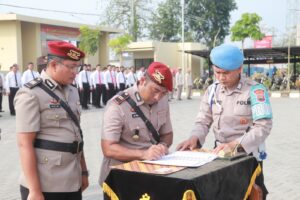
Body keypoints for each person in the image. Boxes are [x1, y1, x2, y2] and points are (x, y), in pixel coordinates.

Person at [176, 44, 272, 200]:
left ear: (239, 69)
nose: (221, 77)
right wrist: (195, 138)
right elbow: (203, 120)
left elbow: (263, 127)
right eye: (217, 72)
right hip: (219, 156)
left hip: (247, 157)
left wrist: (234, 145)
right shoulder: (212, 91)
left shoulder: (255, 91)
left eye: (226, 73)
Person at [15, 41, 89, 200]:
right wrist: (34, 190)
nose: (75, 72)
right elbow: (24, 143)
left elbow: (77, 135)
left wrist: (83, 171)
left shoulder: (72, 91)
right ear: (54, 65)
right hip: (46, 182)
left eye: (77, 67)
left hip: (72, 179)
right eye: (71, 67)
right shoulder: (30, 94)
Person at [99, 62, 174, 188]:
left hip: (152, 173)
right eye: (155, 90)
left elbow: (167, 134)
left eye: (164, 93)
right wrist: (143, 154)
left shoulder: (163, 102)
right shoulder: (118, 105)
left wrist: (162, 146)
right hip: (121, 176)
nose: (158, 97)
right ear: (143, 80)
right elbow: (108, 148)